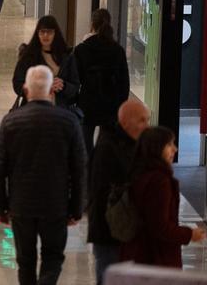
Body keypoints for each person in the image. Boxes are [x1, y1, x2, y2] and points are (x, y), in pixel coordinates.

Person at [0, 65, 87, 285]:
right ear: (52, 90)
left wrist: (1, 206)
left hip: (21, 205)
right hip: (56, 205)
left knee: (25, 261)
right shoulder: (68, 122)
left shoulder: (11, 122)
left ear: (26, 90)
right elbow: (79, 169)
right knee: (53, 258)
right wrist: (76, 208)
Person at [86, 99, 150, 284]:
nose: (147, 126)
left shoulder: (129, 144)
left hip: (121, 230)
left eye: (147, 119)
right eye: (142, 120)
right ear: (125, 121)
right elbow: (103, 193)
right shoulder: (109, 148)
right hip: (110, 232)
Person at [120, 126, 205, 267]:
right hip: (157, 258)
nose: (175, 149)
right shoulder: (160, 181)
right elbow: (160, 226)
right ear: (156, 148)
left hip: (137, 252)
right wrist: (190, 234)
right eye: (169, 144)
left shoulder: (138, 173)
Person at [73, 8, 130, 154]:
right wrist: (120, 103)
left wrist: (75, 100)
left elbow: (75, 79)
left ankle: (89, 165)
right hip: (111, 103)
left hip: (88, 102)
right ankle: (102, 163)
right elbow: (124, 82)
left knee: (85, 140)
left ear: (92, 24)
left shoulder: (82, 49)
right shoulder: (117, 50)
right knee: (107, 141)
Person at [12, 15, 80, 108]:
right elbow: (17, 84)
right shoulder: (28, 55)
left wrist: (63, 86)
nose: (45, 35)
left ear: (55, 34)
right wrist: (36, 87)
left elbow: (75, 86)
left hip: (60, 109)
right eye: (42, 32)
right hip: (34, 108)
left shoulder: (67, 56)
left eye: (49, 32)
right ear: (37, 33)